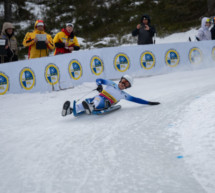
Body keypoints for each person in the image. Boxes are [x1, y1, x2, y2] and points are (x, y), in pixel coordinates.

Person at [61, 75, 160, 117]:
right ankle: (69, 110)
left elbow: (137, 100)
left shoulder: (123, 95)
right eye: (123, 81)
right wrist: (99, 85)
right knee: (87, 101)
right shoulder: (111, 83)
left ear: (127, 87)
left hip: (106, 103)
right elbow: (99, 79)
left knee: (98, 98)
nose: (123, 84)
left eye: (126, 84)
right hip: (98, 98)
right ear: (120, 80)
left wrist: (149, 102)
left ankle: (91, 107)